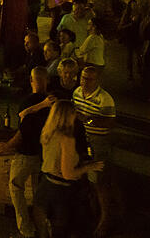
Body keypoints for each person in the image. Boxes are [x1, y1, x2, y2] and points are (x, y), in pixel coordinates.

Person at [33, 100, 104, 238]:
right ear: (67, 116)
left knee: (43, 232)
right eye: (73, 113)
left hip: (44, 188)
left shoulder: (48, 132)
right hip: (60, 194)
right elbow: (68, 173)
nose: (75, 117)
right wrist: (90, 167)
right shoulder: (66, 139)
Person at [0, 67, 51, 238]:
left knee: (16, 186)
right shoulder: (52, 103)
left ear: (31, 81)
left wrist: (8, 146)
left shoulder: (28, 103)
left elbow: (23, 132)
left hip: (26, 153)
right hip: (44, 154)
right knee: (38, 191)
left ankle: (26, 228)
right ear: (47, 81)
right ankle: (43, 227)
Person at [73, 66, 115, 236]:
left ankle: (105, 219)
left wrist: (89, 120)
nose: (84, 82)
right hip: (82, 140)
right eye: (83, 78)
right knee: (84, 178)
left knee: (99, 181)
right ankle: (91, 212)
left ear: (97, 81)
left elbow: (110, 123)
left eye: (89, 79)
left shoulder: (105, 99)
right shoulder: (76, 93)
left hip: (99, 143)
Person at [117, 0, 140, 80]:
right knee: (129, 56)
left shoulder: (139, 14)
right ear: (130, 6)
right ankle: (130, 73)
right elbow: (120, 27)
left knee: (139, 55)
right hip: (130, 38)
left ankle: (139, 70)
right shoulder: (126, 14)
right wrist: (130, 24)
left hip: (138, 38)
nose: (134, 6)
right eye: (133, 4)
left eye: (135, 4)